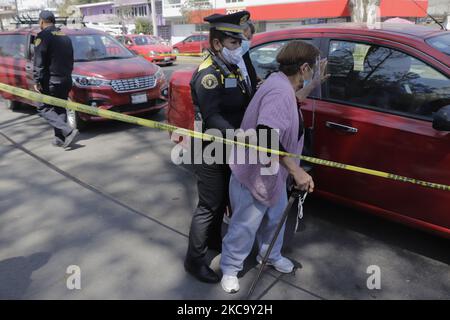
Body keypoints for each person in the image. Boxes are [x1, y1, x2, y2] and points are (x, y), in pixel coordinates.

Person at [220, 40, 329, 293]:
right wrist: (296, 170)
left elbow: (293, 100)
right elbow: (267, 135)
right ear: (303, 67)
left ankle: (269, 255)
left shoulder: (280, 82)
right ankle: (230, 268)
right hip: (255, 173)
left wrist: (315, 83)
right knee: (245, 225)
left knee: (276, 216)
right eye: (312, 68)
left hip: (273, 172)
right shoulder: (279, 91)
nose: (313, 70)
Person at [185, 10, 253, 283]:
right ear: (217, 43)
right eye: (234, 42)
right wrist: (241, 137)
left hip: (228, 146)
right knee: (208, 206)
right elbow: (212, 116)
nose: (239, 47)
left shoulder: (231, 65)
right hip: (210, 148)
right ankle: (194, 259)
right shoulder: (208, 74)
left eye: (240, 41)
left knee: (223, 200)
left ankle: (214, 242)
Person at [33, 10, 78, 149]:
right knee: (59, 108)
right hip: (65, 79)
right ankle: (60, 139)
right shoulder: (64, 36)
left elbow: (39, 62)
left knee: (43, 107)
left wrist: (37, 81)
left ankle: (68, 130)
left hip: (51, 81)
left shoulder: (42, 36)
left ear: (41, 21)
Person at [238, 21, 258, 94]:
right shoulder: (232, 59)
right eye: (246, 38)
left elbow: (249, 71)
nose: (247, 42)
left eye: (249, 39)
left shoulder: (244, 53)